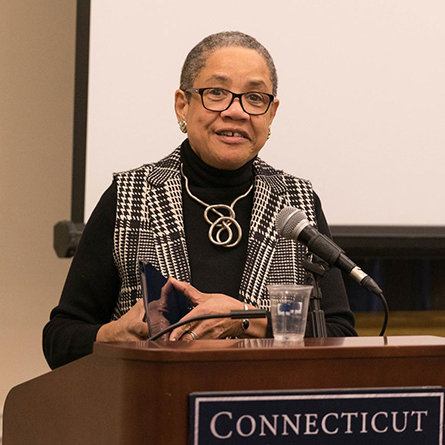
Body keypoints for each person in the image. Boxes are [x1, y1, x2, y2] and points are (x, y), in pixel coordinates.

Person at [43, 31, 356, 370]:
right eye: (217, 93)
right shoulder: (131, 196)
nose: (236, 112)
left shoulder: (297, 202)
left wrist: (244, 320)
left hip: (270, 416)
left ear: (271, 113)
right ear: (183, 104)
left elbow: (339, 334)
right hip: (153, 412)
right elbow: (60, 338)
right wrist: (115, 334)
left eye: (254, 97)